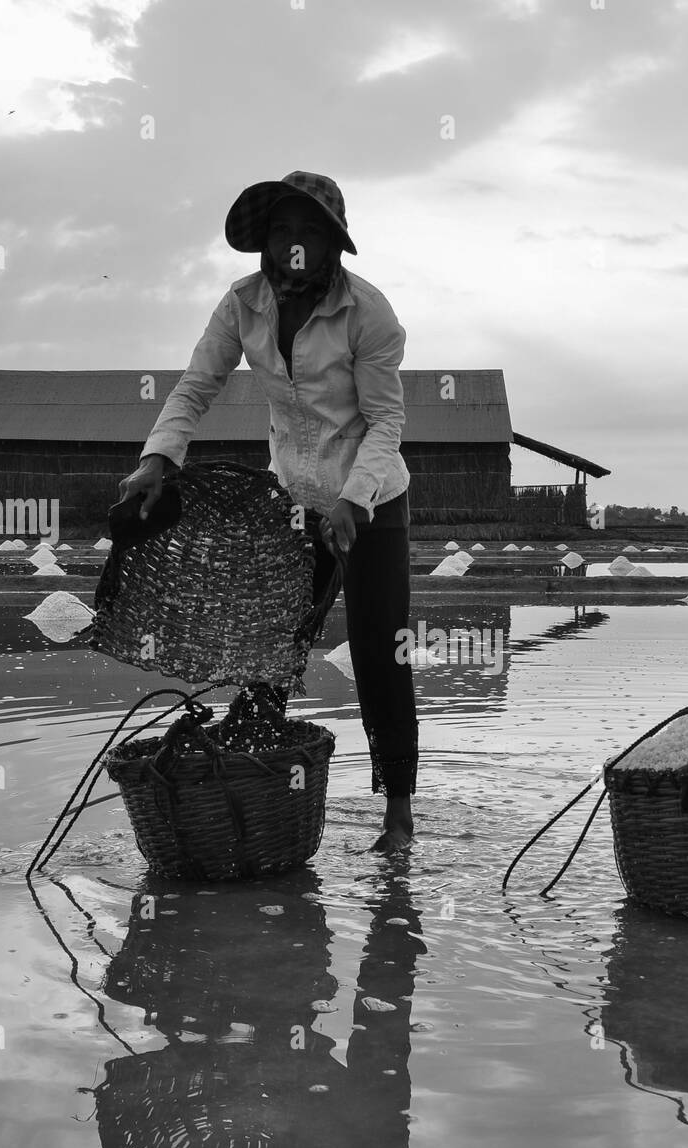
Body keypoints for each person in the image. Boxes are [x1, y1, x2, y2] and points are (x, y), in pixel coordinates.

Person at [118, 171, 417, 852]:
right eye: (282, 229)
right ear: (265, 241)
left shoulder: (368, 314)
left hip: (371, 501)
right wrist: (157, 458)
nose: (294, 244)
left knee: (379, 652)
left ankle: (397, 813)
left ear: (333, 245)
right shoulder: (242, 303)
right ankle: (248, 793)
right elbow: (196, 386)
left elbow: (385, 420)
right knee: (271, 645)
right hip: (292, 500)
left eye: (310, 231)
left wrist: (352, 500)